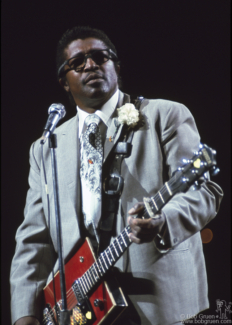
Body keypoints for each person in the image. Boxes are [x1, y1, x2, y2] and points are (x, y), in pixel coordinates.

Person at [10, 26, 223, 325]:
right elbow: (34, 239)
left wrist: (163, 223)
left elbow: (204, 193)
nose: (91, 65)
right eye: (77, 62)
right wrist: (24, 313)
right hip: (79, 307)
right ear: (64, 82)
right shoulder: (46, 148)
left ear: (117, 67)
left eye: (100, 57)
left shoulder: (165, 115)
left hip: (159, 303)